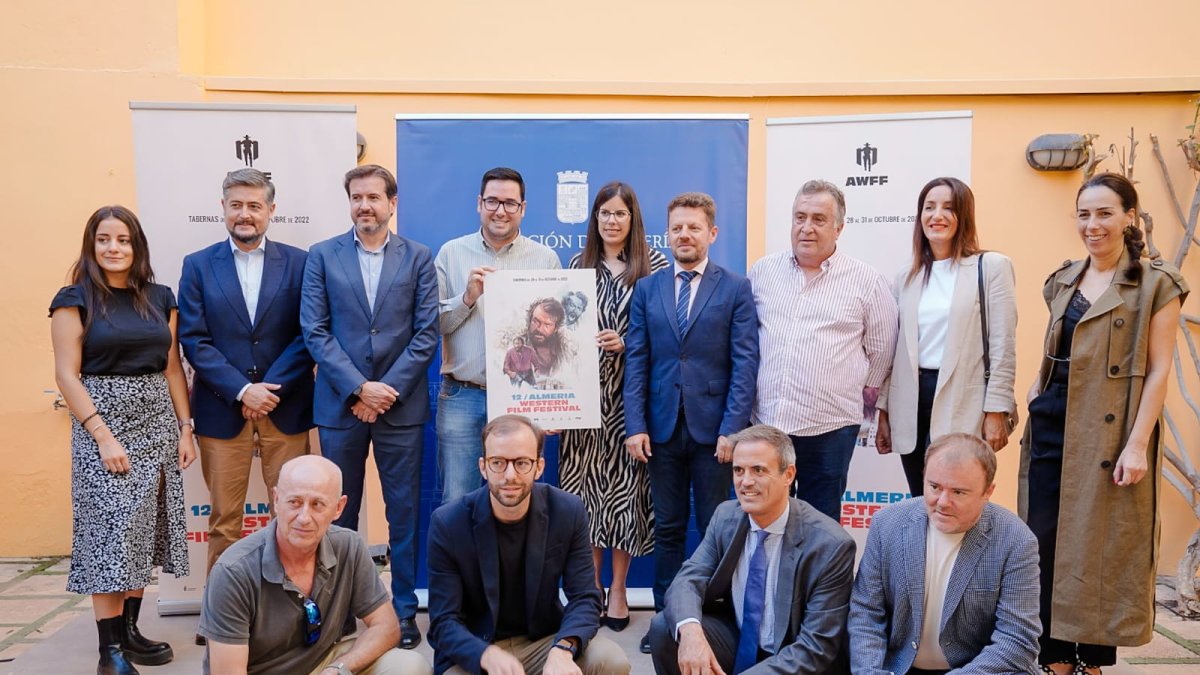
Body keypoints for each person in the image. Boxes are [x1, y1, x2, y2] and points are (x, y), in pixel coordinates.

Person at [1020, 172, 1188, 674]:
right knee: (1045, 540)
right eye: (1084, 214)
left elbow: (1159, 369)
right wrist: (1035, 389)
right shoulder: (1063, 279)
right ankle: (1054, 658)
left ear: (1129, 217)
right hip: (1052, 423)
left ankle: (1091, 660)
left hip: (1111, 430)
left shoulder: (1156, 284)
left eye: (1105, 213)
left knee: (1102, 544)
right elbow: (1056, 346)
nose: (1092, 225)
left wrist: (1136, 445)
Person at [50, 205, 195, 674]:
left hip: (157, 425)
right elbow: (66, 375)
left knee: (143, 531)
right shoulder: (74, 299)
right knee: (109, 533)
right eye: (104, 240)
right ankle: (108, 650)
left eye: (123, 240)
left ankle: (130, 632)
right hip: (103, 426)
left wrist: (185, 427)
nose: (114, 248)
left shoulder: (160, 297)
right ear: (91, 245)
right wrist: (102, 435)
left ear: (137, 246)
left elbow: (171, 368)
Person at [301, 164, 439, 650]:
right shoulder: (322, 255)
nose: (365, 205)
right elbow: (315, 330)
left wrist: (385, 391)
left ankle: (403, 611)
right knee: (337, 515)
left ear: (391, 203)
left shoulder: (418, 257)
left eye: (374, 197)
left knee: (403, 514)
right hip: (341, 406)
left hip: (400, 408)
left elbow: (426, 333)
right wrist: (360, 389)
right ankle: (338, 612)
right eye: (357, 197)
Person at [625, 191, 759, 653]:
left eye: (694, 227)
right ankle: (666, 623)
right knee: (667, 528)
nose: (685, 235)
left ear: (712, 233)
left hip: (714, 434)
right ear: (667, 233)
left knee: (715, 528)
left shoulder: (735, 288)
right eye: (677, 228)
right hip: (661, 431)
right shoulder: (648, 289)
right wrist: (635, 425)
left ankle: (711, 622)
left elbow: (745, 364)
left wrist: (732, 430)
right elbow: (637, 360)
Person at [178, 168, 314, 575]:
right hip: (222, 409)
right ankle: (222, 607)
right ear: (223, 208)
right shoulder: (198, 265)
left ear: (271, 210)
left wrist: (268, 390)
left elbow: (309, 333)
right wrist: (242, 390)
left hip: (285, 407)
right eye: (236, 205)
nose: (245, 214)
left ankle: (286, 602)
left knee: (291, 516)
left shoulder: (300, 263)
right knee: (224, 521)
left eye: (254, 205)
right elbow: (194, 339)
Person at [426, 415, 630, 675]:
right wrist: (484, 655)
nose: (510, 475)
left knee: (610, 660)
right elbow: (443, 621)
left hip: (542, 641)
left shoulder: (567, 510)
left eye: (522, 462)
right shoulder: (448, 523)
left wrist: (563, 648)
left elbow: (585, 597)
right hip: (476, 648)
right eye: (498, 463)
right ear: (483, 467)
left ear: (539, 466)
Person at [647, 424, 856, 674]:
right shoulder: (726, 516)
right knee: (665, 628)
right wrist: (691, 633)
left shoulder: (830, 544)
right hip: (740, 641)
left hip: (796, 656)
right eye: (738, 470)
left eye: (759, 470)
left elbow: (816, 648)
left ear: (788, 475)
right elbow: (687, 580)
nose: (746, 482)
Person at [199, 455, 432, 675]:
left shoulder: (348, 546)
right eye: (294, 502)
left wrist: (338, 669)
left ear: (338, 508)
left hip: (322, 663)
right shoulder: (233, 571)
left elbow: (386, 626)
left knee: (410, 666)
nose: (304, 517)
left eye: (317, 504)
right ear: (276, 499)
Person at [748, 179, 897, 522]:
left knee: (820, 526)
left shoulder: (866, 281)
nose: (806, 228)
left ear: (838, 228)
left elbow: (882, 352)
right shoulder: (763, 272)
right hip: (767, 424)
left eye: (818, 219)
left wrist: (847, 392)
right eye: (800, 217)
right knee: (765, 519)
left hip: (829, 428)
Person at [559, 181, 669, 632]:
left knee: (625, 496)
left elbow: (670, 334)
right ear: (595, 218)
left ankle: (620, 589)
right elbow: (557, 332)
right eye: (604, 213)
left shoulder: (655, 267)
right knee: (584, 496)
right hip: (581, 401)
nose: (611, 220)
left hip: (632, 400)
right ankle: (592, 589)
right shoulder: (576, 266)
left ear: (633, 218)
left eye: (620, 213)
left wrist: (626, 342)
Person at [849, 433, 1041, 674]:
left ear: (988, 492)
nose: (942, 502)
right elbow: (866, 613)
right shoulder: (887, 524)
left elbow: (1017, 639)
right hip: (899, 669)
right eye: (934, 487)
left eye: (958, 492)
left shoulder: (1016, 540)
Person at [875, 177, 1018, 497]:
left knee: (955, 497)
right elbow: (894, 350)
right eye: (929, 207)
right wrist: (883, 410)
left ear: (963, 215)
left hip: (964, 399)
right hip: (910, 401)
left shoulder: (990, 267)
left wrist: (996, 409)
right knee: (920, 498)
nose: (937, 215)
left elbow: (1003, 345)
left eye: (948, 208)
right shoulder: (906, 275)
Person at [434, 167, 561, 505]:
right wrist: (467, 298)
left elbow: (555, 333)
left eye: (510, 203)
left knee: (518, 496)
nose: (500, 211)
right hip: (463, 394)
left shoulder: (545, 259)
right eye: (492, 201)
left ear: (523, 208)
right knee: (457, 499)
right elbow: (434, 326)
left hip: (523, 398)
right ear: (479, 203)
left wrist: (553, 404)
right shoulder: (451, 253)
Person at [523, 297, 570, 377]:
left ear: (556, 328)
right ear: (530, 321)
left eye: (547, 325)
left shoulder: (566, 352)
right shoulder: (516, 347)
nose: (539, 329)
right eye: (535, 321)